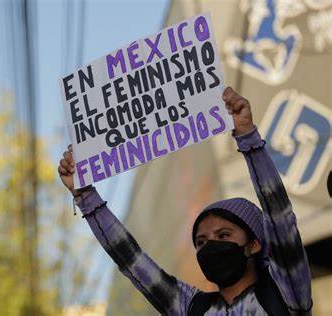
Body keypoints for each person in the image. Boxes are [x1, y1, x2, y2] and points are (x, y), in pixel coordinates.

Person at [58, 87, 312, 315]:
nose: (211, 246)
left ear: (254, 244)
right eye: (201, 242)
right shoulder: (192, 308)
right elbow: (132, 262)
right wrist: (85, 196)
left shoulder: (284, 291)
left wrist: (248, 138)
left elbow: (279, 216)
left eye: (223, 235)